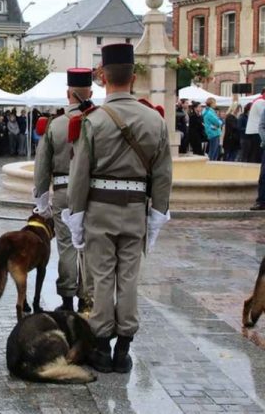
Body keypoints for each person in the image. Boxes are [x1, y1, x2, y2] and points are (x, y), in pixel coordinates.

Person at [64, 44, 172, 374]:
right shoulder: (154, 118)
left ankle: (100, 346)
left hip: (99, 208)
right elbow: (163, 174)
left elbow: (79, 173)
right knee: (129, 278)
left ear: (102, 77)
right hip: (136, 209)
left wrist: (76, 216)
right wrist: (156, 216)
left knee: (100, 278)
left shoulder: (93, 120)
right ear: (134, 77)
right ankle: (123, 349)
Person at [33, 68, 95, 313]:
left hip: (61, 190)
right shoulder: (96, 120)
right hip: (90, 191)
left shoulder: (55, 124)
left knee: (67, 245)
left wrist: (41, 200)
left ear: (68, 93)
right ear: (89, 92)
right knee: (88, 245)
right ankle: (87, 298)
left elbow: (41, 166)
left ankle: (67, 297)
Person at [244, 88, 265, 163]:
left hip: (254, 131)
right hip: (256, 131)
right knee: (257, 154)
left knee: (254, 154)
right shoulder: (261, 102)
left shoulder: (258, 101)